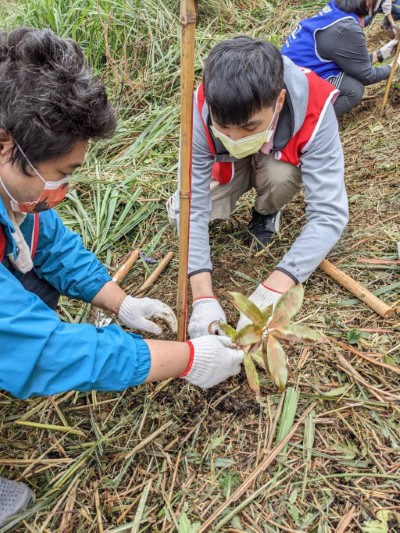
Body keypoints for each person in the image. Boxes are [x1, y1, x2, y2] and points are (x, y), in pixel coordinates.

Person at [0, 28, 244, 526]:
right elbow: (44, 349)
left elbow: (49, 244)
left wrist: (121, 302)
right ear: (5, 143)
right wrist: (187, 359)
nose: (62, 190)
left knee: (34, 279)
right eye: (59, 173)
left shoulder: (14, 189)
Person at [167, 36, 349, 338]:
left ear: (278, 100)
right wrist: (202, 296)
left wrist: (274, 288)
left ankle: (266, 211)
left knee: (280, 176)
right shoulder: (200, 106)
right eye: (223, 126)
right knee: (179, 215)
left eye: (250, 126)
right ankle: (243, 173)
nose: (236, 136)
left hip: (277, 161)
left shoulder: (316, 108)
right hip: (227, 164)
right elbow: (193, 201)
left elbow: (329, 214)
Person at [281, 0, 399, 116]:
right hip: (295, 85)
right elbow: (367, 76)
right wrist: (395, 65)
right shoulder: (347, 27)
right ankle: (312, 119)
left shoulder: (337, 6)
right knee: (354, 90)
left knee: (350, 75)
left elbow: (350, 60)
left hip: (290, 69)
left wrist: (381, 54)